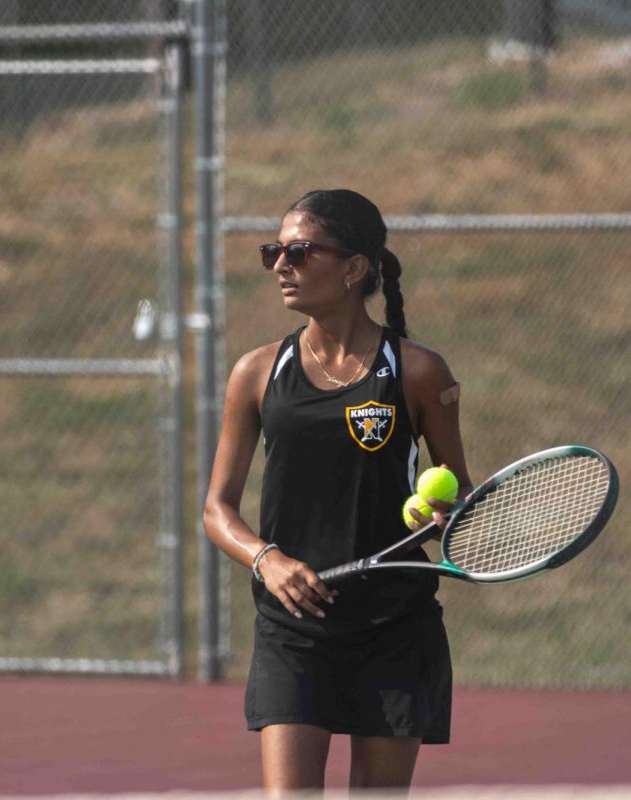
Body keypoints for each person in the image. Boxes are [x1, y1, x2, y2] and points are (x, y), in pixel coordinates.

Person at [202, 188, 473, 795]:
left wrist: (445, 513)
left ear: (354, 268)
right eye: (274, 251)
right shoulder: (255, 373)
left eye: (298, 252)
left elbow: (462, 502)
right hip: (292, 628)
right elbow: (217, 509)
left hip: (393, 624)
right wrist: (266, 559)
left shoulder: (420, 372)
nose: (280, 265)